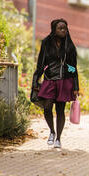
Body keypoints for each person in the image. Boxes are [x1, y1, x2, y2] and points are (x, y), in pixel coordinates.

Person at [32, 19, 80, 148]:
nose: (63, 31)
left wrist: (76, 86)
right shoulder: (46, 43)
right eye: (60, 28)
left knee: (60, 110)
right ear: (54, 29)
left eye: (65, 28)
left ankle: (58, 138)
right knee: (47, 107)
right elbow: (41, 64)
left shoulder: (69, 46)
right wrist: (36, 79)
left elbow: (73, 67)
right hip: (50, 80)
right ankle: (52, 132)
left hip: (65, 81)